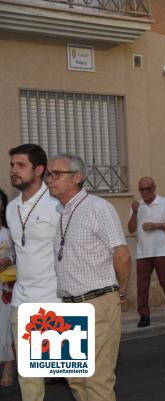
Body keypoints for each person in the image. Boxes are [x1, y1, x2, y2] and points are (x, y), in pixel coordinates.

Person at [46, 154, 131, 401]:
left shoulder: (98, 208)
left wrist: (121, 292)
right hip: (68, 306)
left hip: (96, 303)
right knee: (75, 378)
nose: (50, 180)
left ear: (77, 177)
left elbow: (123, 255)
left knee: (96, 379)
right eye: (48, 174)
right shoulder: (60, 212)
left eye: (56, 174)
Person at [6, 144, 60, 401]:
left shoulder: (57, 205)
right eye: (12, 165)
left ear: (39, 169)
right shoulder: (11, 208)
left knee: (74, 377)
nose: (14, 170)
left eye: (20, 165)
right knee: (28, 378)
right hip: (22, 302)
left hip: (56, 301)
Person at [127, 177, 165, 328]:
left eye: (148, 189)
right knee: (142, 286)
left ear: (154, 188)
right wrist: (134, 212)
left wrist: (156, 225)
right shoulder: (137, 205)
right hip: (143, 252)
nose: (145, 192)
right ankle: (144, 316)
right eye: (142, 189)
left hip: (162, 250)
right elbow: (131, 229)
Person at [0, 188, 15, 388]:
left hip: (5, 286)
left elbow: (22, 254)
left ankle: (8, 367)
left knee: (6, 327)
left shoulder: (10, 230)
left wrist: (8, 259)